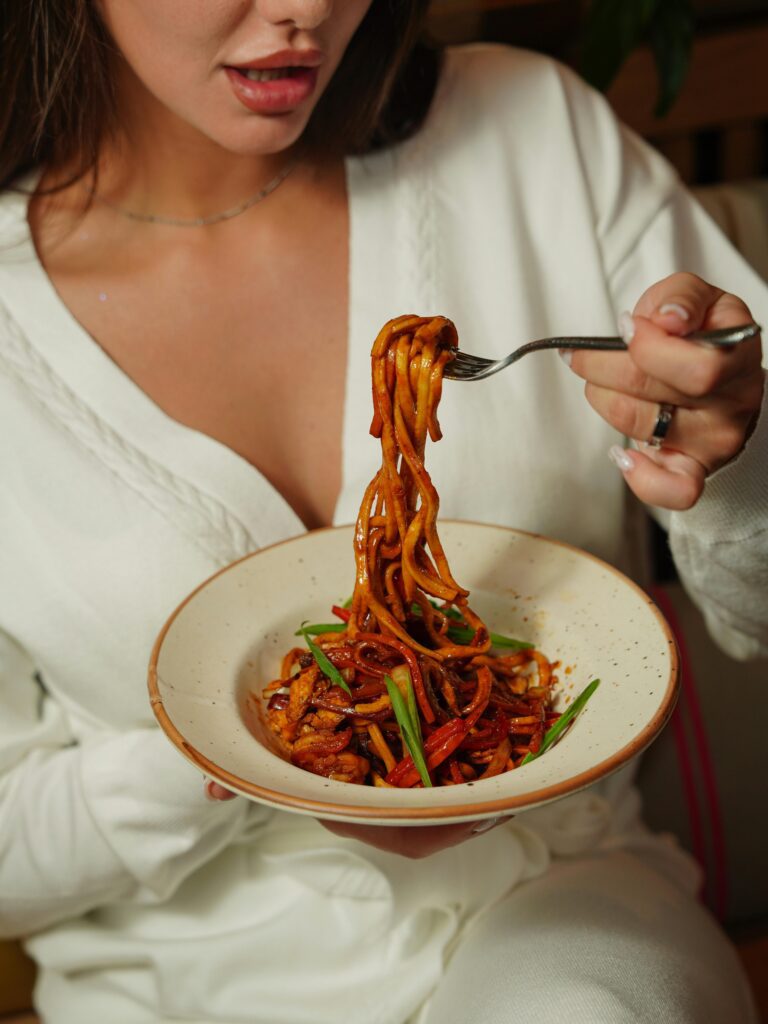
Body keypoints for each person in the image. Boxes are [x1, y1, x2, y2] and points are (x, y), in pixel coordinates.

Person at [1, 1, 766, 1021]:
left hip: (563, 909)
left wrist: (736, 449)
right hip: (182, 986)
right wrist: (244, 754)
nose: (304, 9)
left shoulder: (534, 134)